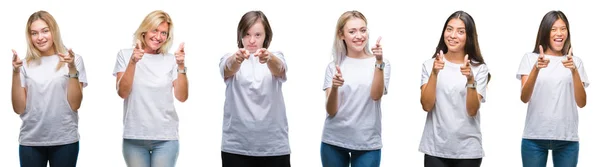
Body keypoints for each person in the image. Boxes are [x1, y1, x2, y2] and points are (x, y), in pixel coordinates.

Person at [112, 10, 188, 167]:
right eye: (155, 30)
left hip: (166, 138)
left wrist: (181, 66)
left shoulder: (171, 60)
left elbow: (182, 96)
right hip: (134, 137)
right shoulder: (125, 55)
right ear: (145, 30)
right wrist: (133, 61)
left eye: (163, 33)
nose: (158, 37)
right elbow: (122, 92)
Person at [12, 10, 88, 167]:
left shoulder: (73, 60)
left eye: (45, 31)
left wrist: (72, 68)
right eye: (34, 33)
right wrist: (15, 72)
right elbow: (19, 108)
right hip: (31, 141)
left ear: (54, 31)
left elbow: (75, 104)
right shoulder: (24, 64)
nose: (40, 37)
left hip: (65, 140)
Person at [517, 10, 588, 167]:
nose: (559, 33)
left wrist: (574, 71)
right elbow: (524, 98)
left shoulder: (576, 62)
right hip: (534, 137)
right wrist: (536, 69)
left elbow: (582, 103)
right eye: (554, 29)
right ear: (545, 32)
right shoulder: (530, 59)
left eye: (563, 28)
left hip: (567, 138)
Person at [218, 10, 290, 167]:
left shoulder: (277, 56)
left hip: (274, 148)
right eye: (247, 34)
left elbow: (279, 68)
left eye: (258, 35)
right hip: (236, 148)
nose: (251, 40)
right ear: (240, 35)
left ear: (266, 36)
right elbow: (228, 68)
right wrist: (237, 59)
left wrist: (269, 58)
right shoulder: (228, 57)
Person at [419, 10, 490, 167]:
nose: (452, 35)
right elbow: (426, 105)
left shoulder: (479, 69)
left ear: (468, 37)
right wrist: (435, 73)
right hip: (435, 148)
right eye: (449, 29)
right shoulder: (430, 65)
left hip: (468, 151)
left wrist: (470, 80)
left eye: (460, 31)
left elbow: (472, 111)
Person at [320, 10, 391, 167]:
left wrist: (378, 62)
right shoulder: (333, 66)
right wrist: (335, 87)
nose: (359, 36)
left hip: (367, 142)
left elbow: (376, 95)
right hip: (334, 141)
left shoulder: (381, 62)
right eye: (352, 31)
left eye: (363, 30)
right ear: (342, 35)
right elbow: (331, 110)